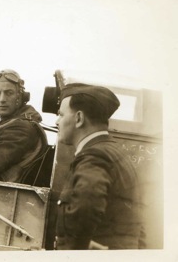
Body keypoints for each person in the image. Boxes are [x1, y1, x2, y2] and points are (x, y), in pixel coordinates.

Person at [54, 83, 144, 250]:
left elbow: (86, 203)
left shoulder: (94, 156)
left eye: (61, 114)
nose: (57, 121)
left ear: (78, 118)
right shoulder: (114, 152)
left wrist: (73, 249)